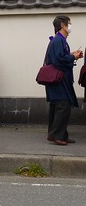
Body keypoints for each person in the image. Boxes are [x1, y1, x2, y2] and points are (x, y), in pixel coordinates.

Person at [44, 15, 83, 145]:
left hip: (60, 79)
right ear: (62, 25)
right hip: (59, 80)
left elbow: (61, 56)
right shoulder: (58, 41)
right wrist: (73, 57)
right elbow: (59, 59)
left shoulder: (60, 40)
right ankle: (56, 135)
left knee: (58, 106)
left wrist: (72, 55)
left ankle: (60, 135)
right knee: (63, 105)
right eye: (69, 24)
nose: (70, 26)